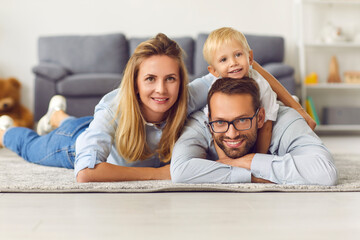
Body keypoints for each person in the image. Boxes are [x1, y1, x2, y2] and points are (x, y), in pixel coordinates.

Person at [0, 33, 216, 182]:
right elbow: (85, 173)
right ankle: (4, 132)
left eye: (170, 78)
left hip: (95, 128)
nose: (161, 89)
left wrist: (250, 66)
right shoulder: (113, 108)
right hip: (73, 142)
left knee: (79, 124)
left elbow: (225, 72)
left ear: (180, 80)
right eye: (150, 78)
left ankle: (57, 115)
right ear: (135, 83)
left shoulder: (187, 96)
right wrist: (158, 174)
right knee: (30, 147)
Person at [170, 77, 337, 185]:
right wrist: (251, 177)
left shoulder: (286, 120)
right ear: (209, 117)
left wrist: (248, 161)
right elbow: (180, 172)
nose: (232, 134)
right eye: (220, 122)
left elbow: (325, 172)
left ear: (260, 117)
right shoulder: (201, 122)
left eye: (242, 120)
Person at [202, 27, 316, 154]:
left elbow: (267, 127)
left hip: (270, 107)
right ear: (214, 71)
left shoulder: (261, 85)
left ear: (250, 58)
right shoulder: (215, 90)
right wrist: (224, 159)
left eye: (238, 54)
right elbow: (215, 126)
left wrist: (258, 158)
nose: (233, 63)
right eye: (224, 60)